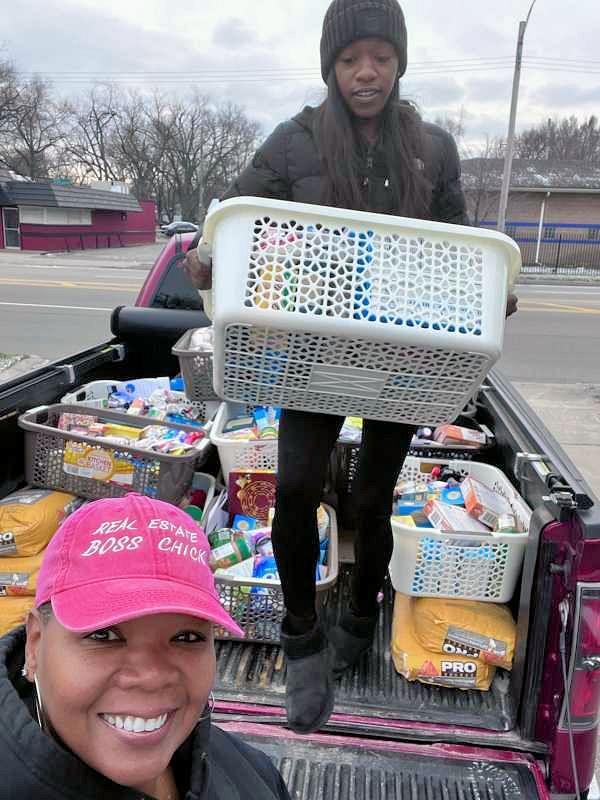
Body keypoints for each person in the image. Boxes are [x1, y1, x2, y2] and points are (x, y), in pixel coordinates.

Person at [184, 0, 518, 735]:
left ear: (399, 62)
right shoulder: (295, 140)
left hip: (401, 351)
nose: (366, 73)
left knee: (372, 499)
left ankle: (362, 614)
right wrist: (208, 258)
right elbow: (238, 212)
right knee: (297, 487)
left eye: (381, 57)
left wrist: (497, 295)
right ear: (329, 67)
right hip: (313, 345)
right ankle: (303, 639)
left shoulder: (431, 146)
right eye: (349, 60)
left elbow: (457, 244)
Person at [0, 494, 291, 800]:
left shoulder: (252, 771)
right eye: (104, 636)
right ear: (35, 645)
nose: (151, 676)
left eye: (187, 638)